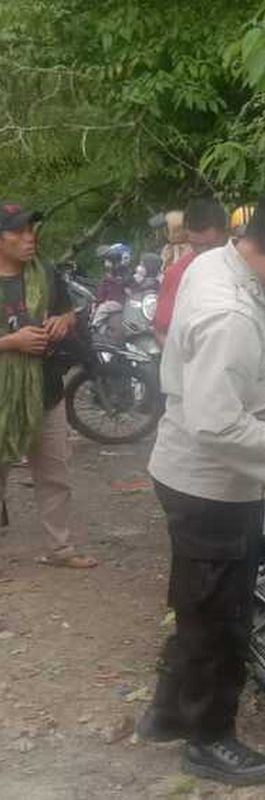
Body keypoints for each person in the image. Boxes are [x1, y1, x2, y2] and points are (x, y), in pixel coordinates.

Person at [138, 184, 265, 786]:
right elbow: (216, 421)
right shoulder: (231, 315)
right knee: (219, 617)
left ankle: (168, 713)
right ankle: (208, 738)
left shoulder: (214, 262)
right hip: (210, 483)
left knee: (196, 602)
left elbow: (244, 379)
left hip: (192, 473)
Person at [0, 201, 97, 569]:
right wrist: (12, 342)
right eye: (19, 231)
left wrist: (63, 321)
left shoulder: (45, 272)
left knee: (55, 475)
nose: (30, 238)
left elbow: (67, 310)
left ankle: (60, 549)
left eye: (32, 230)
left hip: (47, 390)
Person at [152, 198, 229, 343]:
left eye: (212, 246)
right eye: (197, 246)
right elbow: (161, 332)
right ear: (187, 235)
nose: (205, 253)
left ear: (226, 233)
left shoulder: (247, 266)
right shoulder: (177, 274)